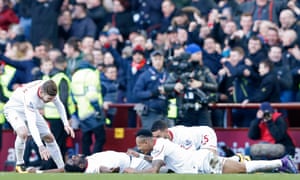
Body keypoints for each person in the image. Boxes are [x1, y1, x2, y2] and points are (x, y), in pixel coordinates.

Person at [124, 129, 298, 174]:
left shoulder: (160, 143)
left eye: (140, 145)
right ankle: (279, 163)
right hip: (200, 162)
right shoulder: (157, 147)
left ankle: (281, 162)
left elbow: (155, 169)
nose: (139, 147)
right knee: (241, 167)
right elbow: (155, 161)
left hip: (202, 163)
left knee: (244, 169)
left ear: (148, 140)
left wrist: (133, 171)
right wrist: (139, 156)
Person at [3, 80, 75, 173]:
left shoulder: (50, 87)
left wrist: (66, 124)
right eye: (49, 99)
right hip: (14, 109)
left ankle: (62, 168)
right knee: (23, 132)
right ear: (41, 93)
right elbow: (32, 124)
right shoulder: (31, 97)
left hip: (31, 109)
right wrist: (40, 146)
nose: (50, 101)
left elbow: (59, 105)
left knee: (49, 137)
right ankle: (19, 165)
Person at [28, 150, 152, 173]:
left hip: (131, 156)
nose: (73, 157)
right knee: (166, 169)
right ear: (81, 165)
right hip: (136, 165)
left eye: (71, 159)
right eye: (74, 160)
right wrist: (111, 171)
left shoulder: (86, 161)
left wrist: (39, 172)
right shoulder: (91, 168)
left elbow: (62, 169)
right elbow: (103, 169)